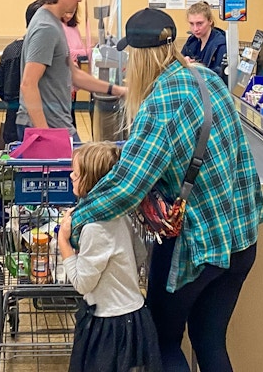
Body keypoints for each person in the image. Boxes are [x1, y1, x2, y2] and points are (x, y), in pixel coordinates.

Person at [70, 8, 263, 372]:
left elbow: (128, 187)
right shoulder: (207, 77)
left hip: (196, 248)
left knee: (164, 341)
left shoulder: (160, 101)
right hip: (241, 238)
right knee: (210, 341)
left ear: (142, 56)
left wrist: (75, 219)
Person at [58, 141, 162, 372]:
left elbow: (83, 284)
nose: (71, 176)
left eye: (76, 173)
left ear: (93, 182)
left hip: (108, 326)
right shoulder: (119, 215)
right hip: (135, 317)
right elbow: (139, 253)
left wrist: (63, 242)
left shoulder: (95, 227)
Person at [16, 0, 126, 141]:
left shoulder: (53, 23)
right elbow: (28, 84)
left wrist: (117, 90)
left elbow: (74, 75)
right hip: (50, 127)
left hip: (58, 124)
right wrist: (44, 134)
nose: (80, 0)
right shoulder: (46, 28)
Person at [0, 0, 42, 150]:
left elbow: (1, 90)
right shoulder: (44, 54)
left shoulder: (10, 50)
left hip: (11, 120)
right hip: (38, 123)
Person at [181, 0, 228, 84]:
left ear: (210, 21)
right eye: (192, 24)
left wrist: (195, 67)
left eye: (200, 23)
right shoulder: (191, 41)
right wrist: (183, 62)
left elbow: (219, 77)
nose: (195, 29)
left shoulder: (220, 45)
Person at [62, 9, 87, 129]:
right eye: (66, 12)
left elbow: (80, 49)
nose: (68, 15)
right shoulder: (57, 26)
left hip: (73, 76)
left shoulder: (74, 27)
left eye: (71, 12)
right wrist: (86, 52)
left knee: (71, 115)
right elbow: (67, 52)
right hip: (63, 77)